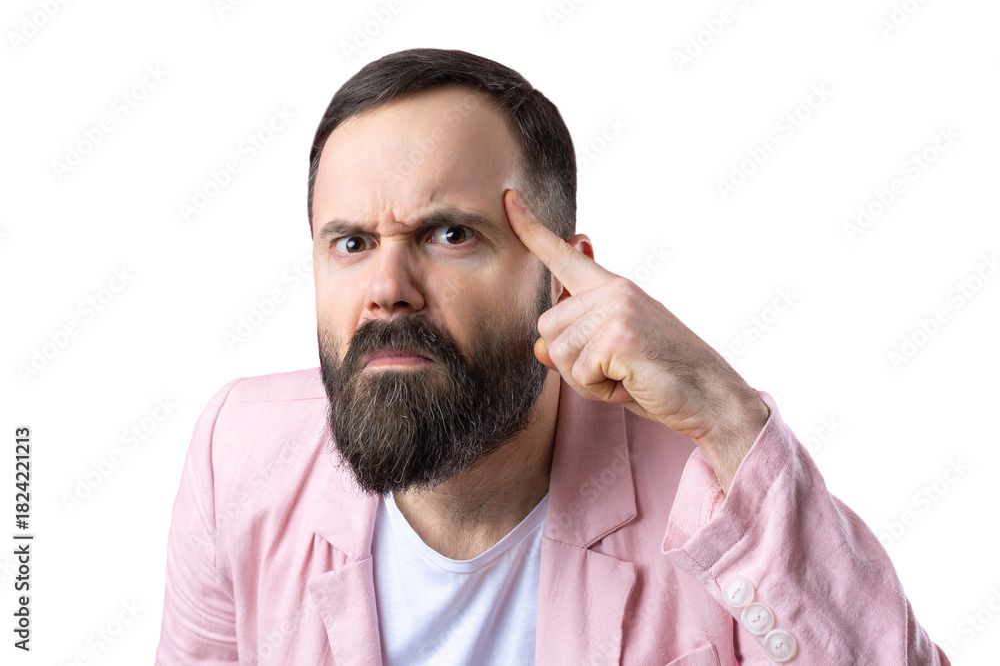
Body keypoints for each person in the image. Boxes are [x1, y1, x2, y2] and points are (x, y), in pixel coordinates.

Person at [155, 48, 950, 665]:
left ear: (565, 281)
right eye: (353, 243)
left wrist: (729, 415)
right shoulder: (240, 453)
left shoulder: (708, 479)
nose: (387, 288)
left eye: (450, 234)